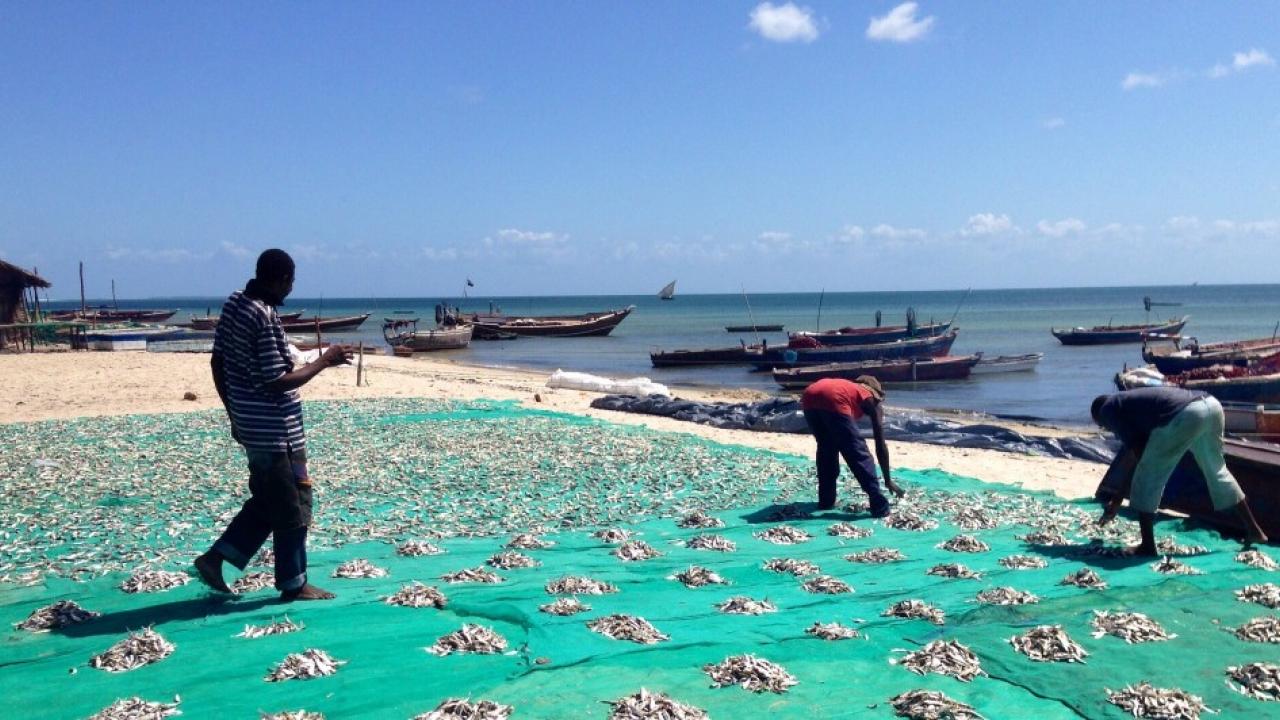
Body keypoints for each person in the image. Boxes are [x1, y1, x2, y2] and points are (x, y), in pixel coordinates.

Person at [194, 249, 350, 601]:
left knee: (268, 500)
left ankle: (216, 559)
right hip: (276, 432)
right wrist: (325, 361)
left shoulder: (235, 304)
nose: (290, 290)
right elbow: (278, 380)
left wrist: (234, 413)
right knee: (293, 503)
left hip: (252, 424)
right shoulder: (262, 316)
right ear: (280, 280)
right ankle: (294, 584)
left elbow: (217, 363)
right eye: (290, 283)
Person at [1092, 386, 1267, 556]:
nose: (1107, 429)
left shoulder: (1108, 409)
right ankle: (1255, 530)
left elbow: (1138, 453)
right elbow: (1136, 448)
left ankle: (1147, 546)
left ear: (1099, 416)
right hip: (1211, 405)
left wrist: (1118, 497)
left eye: (1103, 426)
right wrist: (1117, 499)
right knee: (1217, 470)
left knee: (1147, 478)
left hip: (1187, 414)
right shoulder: (1129, 400)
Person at [800, 375, 904, 515]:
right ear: (875, 393)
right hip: (833, 398)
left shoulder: (849, 388)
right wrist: (888, 480)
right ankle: (878, 503)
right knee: (858, 453)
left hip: (809, 396)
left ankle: (826, 501)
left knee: (827, 449)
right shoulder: (869, 398)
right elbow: (880, 444)